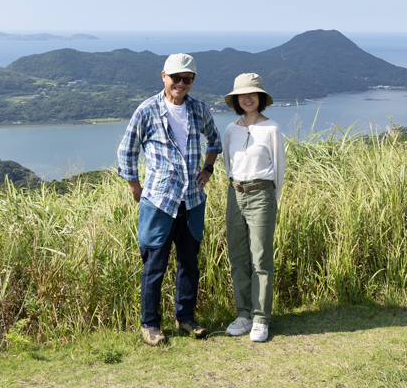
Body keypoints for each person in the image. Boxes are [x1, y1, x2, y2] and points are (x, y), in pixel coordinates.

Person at [117, 53, 222, 346]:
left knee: (189, 263)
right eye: (175, 77)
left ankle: (185, 317)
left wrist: (208, 168)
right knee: (154, 265)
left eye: (186, 79)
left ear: (193, 80)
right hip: (159, 202)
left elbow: (214, 140)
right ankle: (150, 324)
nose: (180, 83)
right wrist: (135, 187)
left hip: (191, 200)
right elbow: (127, 151)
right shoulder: (147, 110)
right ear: (163, 76)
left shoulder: (198, 110)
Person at [221, 72, 285, 343]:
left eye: (252, 94)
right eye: (242, 95)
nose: (247, 98)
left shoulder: (271, 129)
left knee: (260, 259)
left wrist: (271, 199)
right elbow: (227, 164)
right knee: (237, 257)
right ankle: (244, 314)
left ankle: (260, 318)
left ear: (260, 98)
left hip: (261, 195)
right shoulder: (230, 129)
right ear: (236, 99)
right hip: (235, 194)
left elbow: (279, 170)